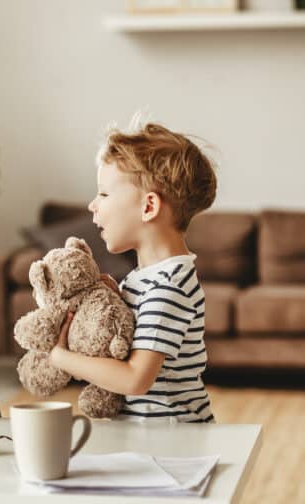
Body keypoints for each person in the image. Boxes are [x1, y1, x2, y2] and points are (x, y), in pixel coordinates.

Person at [50, 120, 217, 424]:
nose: (92, 205)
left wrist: (62, 358)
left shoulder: (169, 287)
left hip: (173, 446)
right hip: (147, 439)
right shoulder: (145, 278)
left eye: (103, 194)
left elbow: (134, 379)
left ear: (149, 206)